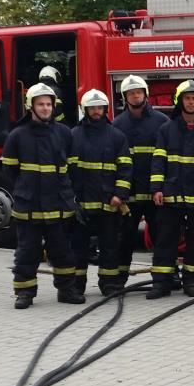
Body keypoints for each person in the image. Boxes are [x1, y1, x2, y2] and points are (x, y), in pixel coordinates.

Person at [3, 82, 80, 309]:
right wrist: (25, 188)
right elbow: (10, 170)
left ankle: (66, 290)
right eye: (41, 104)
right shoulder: (17, 136)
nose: (46, 108)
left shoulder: (64, 133)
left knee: (62, 251)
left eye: (49, 104)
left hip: (58, 203)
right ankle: (25, 293)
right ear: (31, 107)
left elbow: (72, 167)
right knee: (27, 252)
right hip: (30, 205)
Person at [149, 80, 194, 298]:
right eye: (187, 98)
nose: (190, 102)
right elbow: (158, 161)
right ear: (180, 101)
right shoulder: (166, 129)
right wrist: (157, 189)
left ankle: (191, 281)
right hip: (171, 194)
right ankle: (161, 283)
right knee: (165, 240)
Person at [68, 89, 132, 299]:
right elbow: (66, 170)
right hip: (81, 205)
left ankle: (109, 284)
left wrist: (119, 194)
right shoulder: (73, 136)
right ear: (85, 109)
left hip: (108, 204)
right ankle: (77, 286)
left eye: (99, 107)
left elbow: (125, 169)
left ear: (105, 109)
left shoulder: (116, 136)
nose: (96, 111)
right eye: (92, 108)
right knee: (78, 248)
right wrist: (70, 198)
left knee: (110, 246)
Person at [113, 74, 168, 289]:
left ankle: (164, 279)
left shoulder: (161, 122)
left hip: (156, 193)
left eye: (139, 92)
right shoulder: (118, 125)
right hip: (130, 195)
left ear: (145, 94)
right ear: (125, 97)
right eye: (131, 93)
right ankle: (118, 280)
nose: (136, 96)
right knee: (125, 239)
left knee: (162, 238)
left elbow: (167, 158)